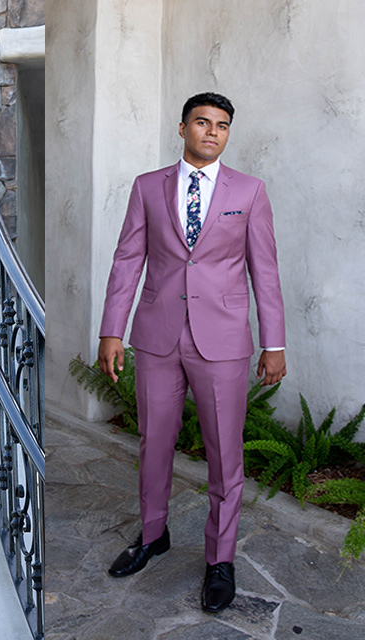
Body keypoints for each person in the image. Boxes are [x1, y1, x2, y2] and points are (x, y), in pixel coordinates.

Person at [98, 93, 286, 613]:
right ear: (182, 128)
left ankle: (220, 559)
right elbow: (127, 260)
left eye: (221, 126)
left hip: (222, 341)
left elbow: (263, 271)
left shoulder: (249, 191)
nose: (211, 132)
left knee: (225, 454)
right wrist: (111, 331)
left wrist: (274, 342)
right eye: (202, 122)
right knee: (153, 442)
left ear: (228, 134)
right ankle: (153, 535)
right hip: (157, 335)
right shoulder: (147, 187)